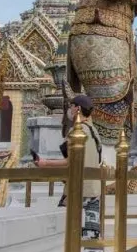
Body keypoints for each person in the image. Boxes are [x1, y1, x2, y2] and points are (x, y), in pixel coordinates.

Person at [36, 95, 105, 238]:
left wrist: (45, 163)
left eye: (71, 106)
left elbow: (70, 162)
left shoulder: (76, 132)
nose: (69, 110)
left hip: (77, 187)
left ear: (78, 109)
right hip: (93, 187)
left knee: (63, 230)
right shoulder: (94, 131)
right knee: (91, 232)